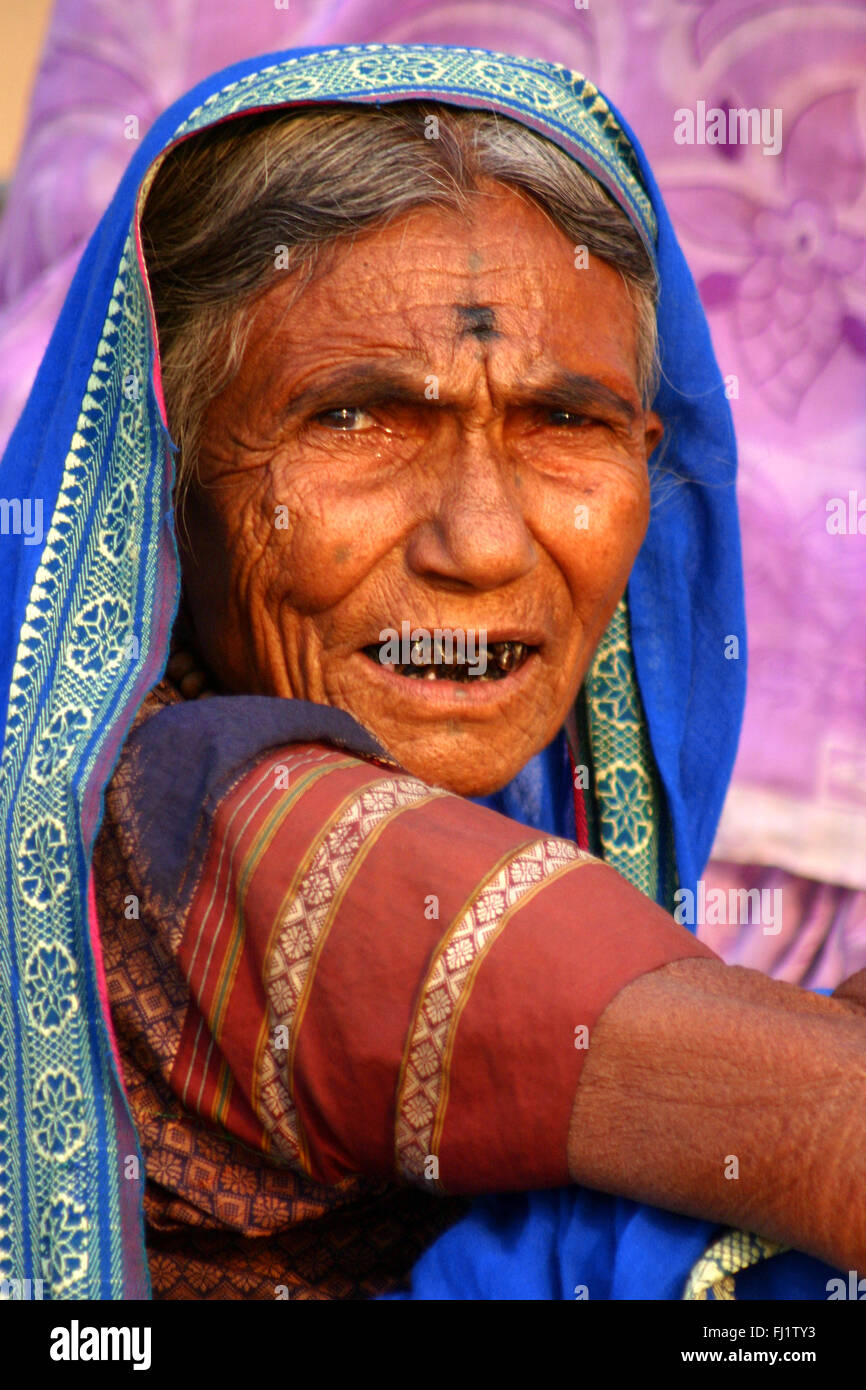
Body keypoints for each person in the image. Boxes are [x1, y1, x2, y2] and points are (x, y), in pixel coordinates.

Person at [1, 42, 863, 1302]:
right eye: (353, 418)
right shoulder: (211, 827)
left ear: (648, 459)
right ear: (169, 467)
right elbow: (822, 1120)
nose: (481, 541)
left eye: (562, 423)